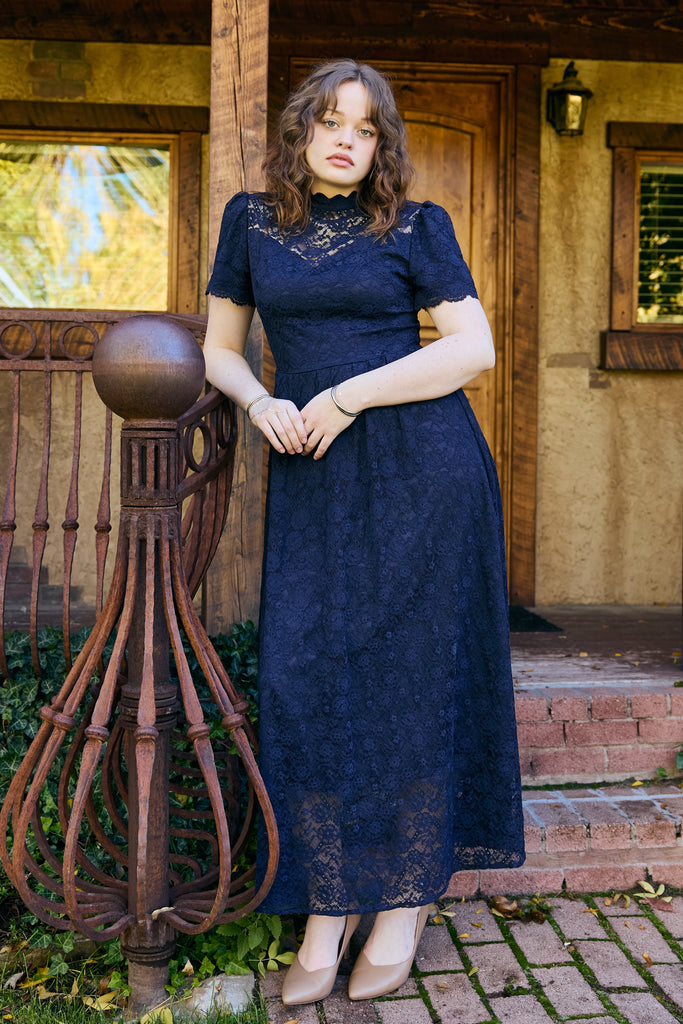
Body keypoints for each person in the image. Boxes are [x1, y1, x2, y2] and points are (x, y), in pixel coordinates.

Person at [203, 58, 525, 1006]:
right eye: (329, 121)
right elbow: (219, 347)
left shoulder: (416, 226)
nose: (346, 139)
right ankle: (329, 902)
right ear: (299, 131)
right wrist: (261, 400)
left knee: (413, 678)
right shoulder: (250, 222)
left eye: (366, 127)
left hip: (422, 469)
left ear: (382, 145)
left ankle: (402, 900)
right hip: (313, 472)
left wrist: (345, 396)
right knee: (311, 676)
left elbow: (473, 350)